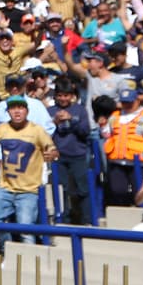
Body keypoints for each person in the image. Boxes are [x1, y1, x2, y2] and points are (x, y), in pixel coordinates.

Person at [0, 96, 58, 244]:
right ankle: (6, 250)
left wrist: (51, 154)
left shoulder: (37, 130)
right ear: (8, 112)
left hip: (28, 190)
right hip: (6, 187)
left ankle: (28, 261)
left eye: (20, 108)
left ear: (27, 111)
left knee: (26, 230)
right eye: (13, 108)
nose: (17, 112)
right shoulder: (1, 129)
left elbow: (52, 149)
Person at [51, 80, 93, 224]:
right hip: (58, 156)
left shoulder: (80, 110)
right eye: (60, 95)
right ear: (55, 96)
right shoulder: (50, 110)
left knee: (83, 189)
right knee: (61, 190)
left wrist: (71, 120)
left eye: (66, 95)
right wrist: (55, 122)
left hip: (78, 155)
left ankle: (87, 219)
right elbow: (44, 133)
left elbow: (85, 132)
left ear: (72, 96)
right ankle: (63, 220)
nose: (63, 99)